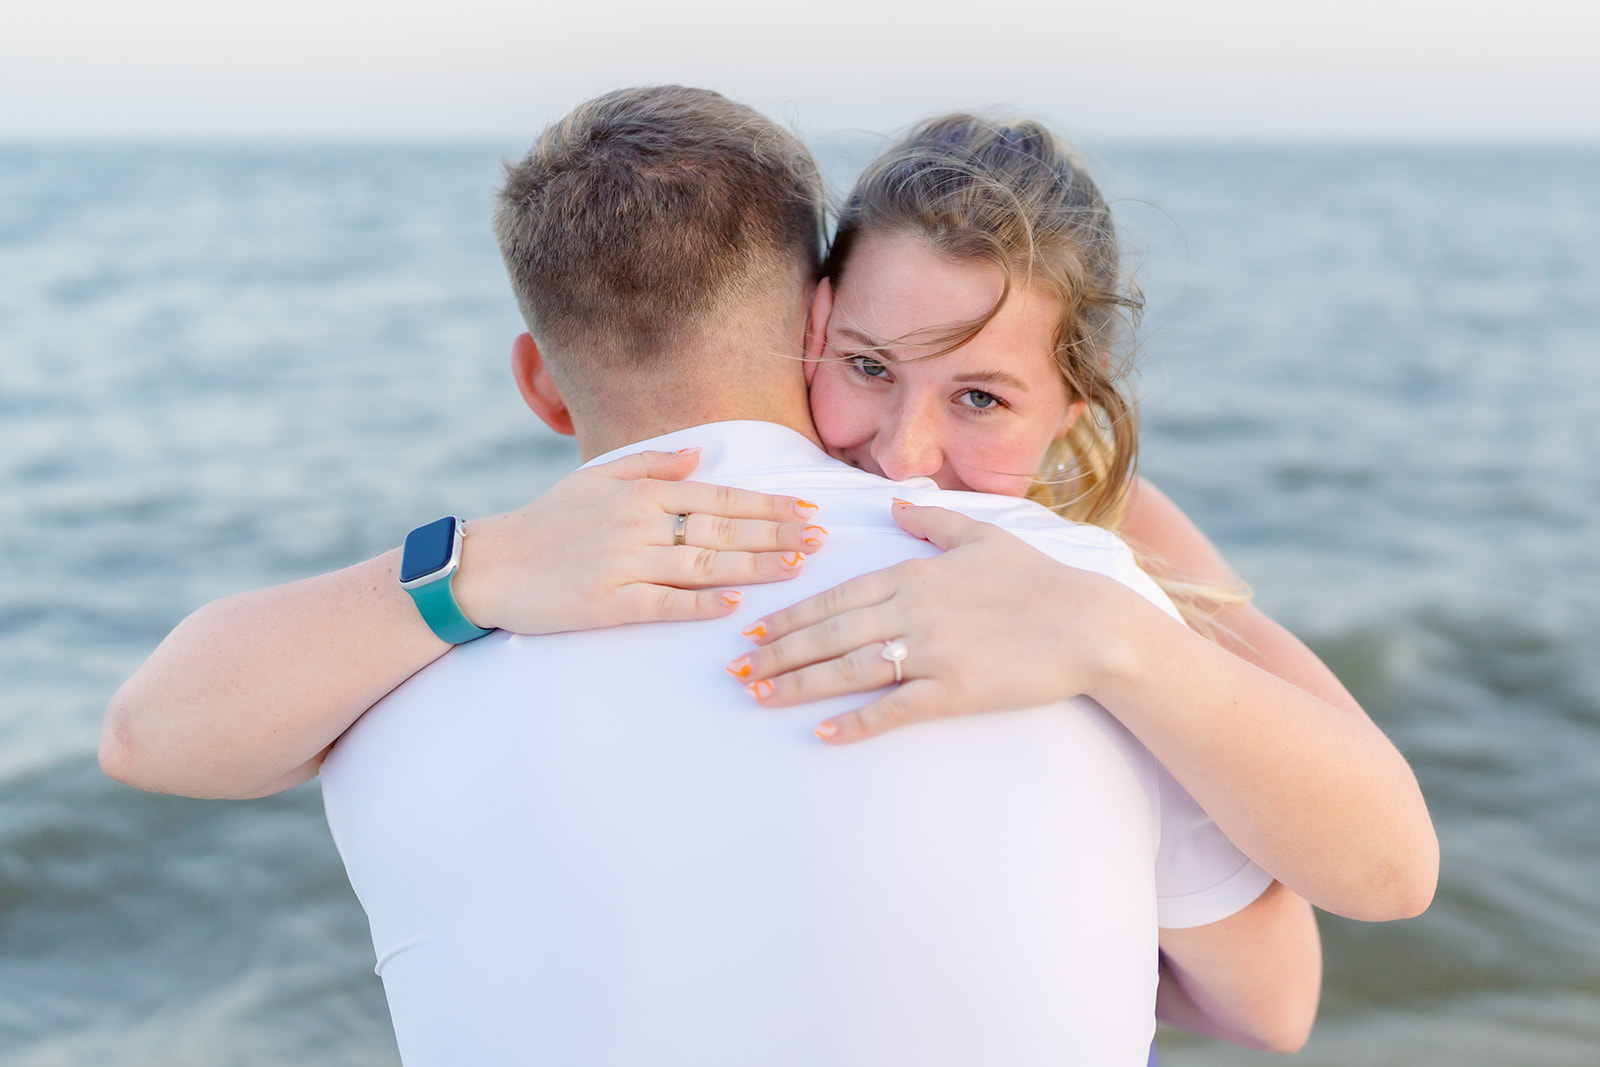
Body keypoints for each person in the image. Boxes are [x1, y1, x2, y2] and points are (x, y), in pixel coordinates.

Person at [98, 87, 1427, 1059]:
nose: (908, 450)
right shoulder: (1052, 602)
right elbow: (1280, 997)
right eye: (870, 369)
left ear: (534, 381)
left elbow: (145, 734)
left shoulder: (393, 648)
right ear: (815, 323)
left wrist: (470, 571)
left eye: (977, 397)